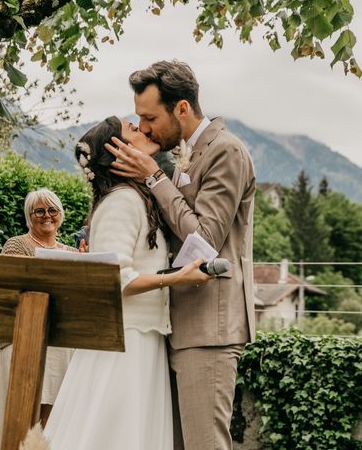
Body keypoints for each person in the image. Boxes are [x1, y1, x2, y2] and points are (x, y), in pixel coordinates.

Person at [105, 60, 256, 450]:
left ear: (182, 108)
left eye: (150, 117)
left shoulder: (226, 151)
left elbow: (205, 239)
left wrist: (154, 177)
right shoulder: (186, 155)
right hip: (175, 324)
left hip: (209, 326)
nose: (146, 127)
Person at [44, 116, 212, 450]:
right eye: (132, 129)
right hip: (125, 342)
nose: (141, 128)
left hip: (141, 336)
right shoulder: (122, 201)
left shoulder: (137, 198)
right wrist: (178, 277)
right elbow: (115, 277)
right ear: (117, 152)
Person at [0, 188, 79, 450]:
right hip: (25, 338)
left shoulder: (73, 252)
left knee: (55, 412)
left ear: (60, 214)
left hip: (61, 342)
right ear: (30, 216)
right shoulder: (17, 244)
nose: (46, 216)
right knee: (23, 411)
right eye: (39, 211)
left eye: (52, 210)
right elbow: (14, 285)